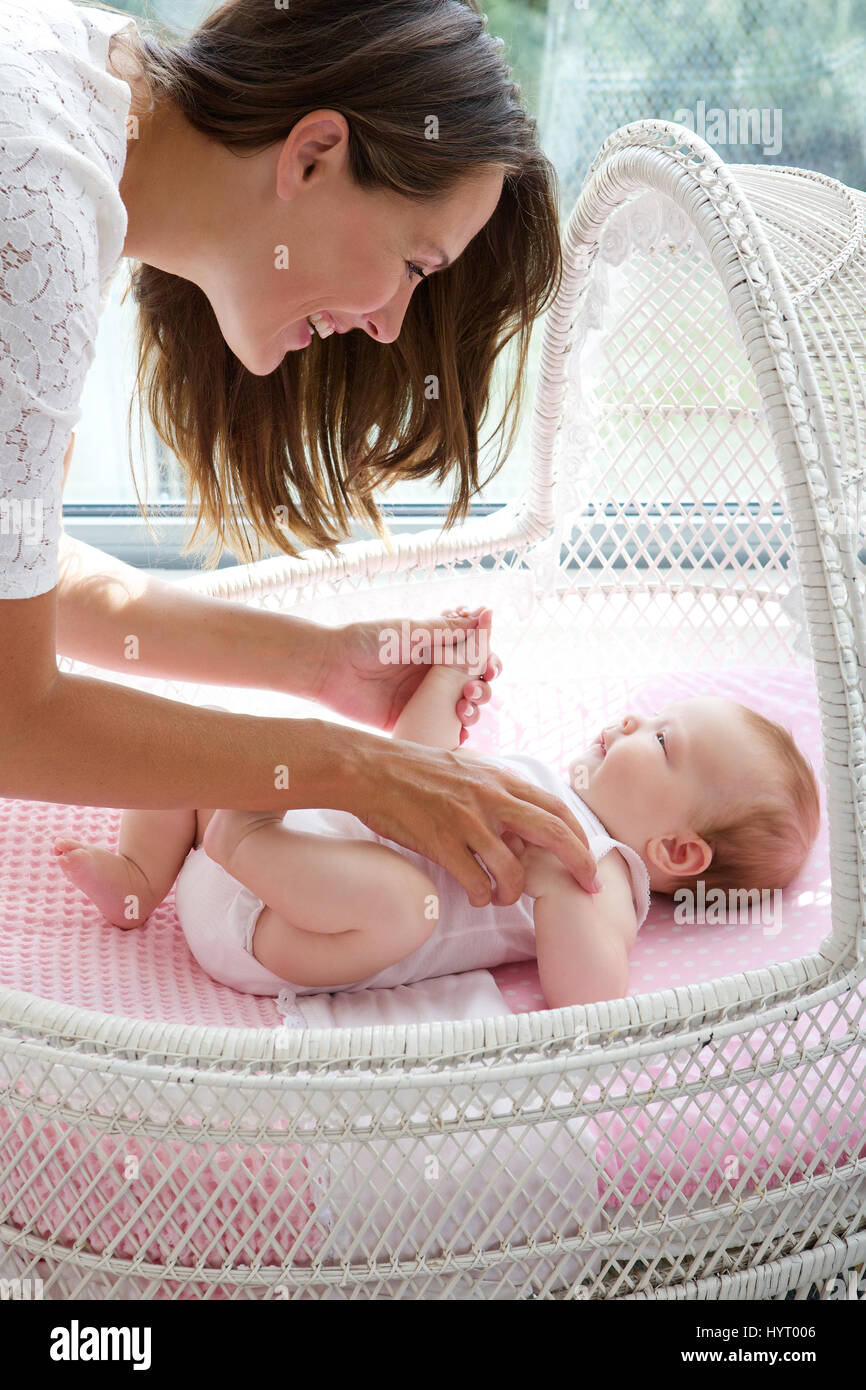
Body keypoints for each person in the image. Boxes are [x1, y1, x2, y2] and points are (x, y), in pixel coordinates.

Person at [0, 0, 601, 910]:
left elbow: (16, 579)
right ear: (313, 155)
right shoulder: (34, 214)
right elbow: (14, 716)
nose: (392, 326)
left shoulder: (78, 98)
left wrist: (315, 665)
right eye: (415, 266)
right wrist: (358, 772)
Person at [55, 610, 820, 1011]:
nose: (628, 723)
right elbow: (407, 776)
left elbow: (590, 998)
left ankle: (237, 831)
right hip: (276, 855)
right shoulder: (542, 777)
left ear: (678, 851)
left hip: (284, 932)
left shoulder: (606, 876)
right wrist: (445, 680)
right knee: (207, 740)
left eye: (659, 740)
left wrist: (558, 885)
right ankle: (140, 879)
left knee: (406, 904)